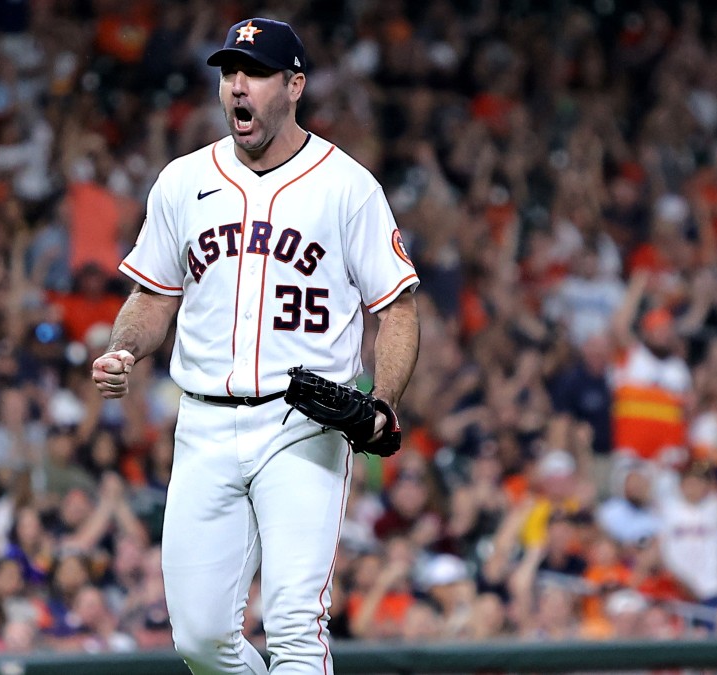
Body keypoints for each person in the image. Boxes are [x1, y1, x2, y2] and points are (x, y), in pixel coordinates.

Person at [90, 16, 420, 675]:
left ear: (294, 85)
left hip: (303, 420)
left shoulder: (346, 185)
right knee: (200, 636)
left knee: (296, 623)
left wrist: (382, 399)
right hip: (204, 419)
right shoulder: (184, 180)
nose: (238, 86)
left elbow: (398, 306)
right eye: (230, 73)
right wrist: (124, 344)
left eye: (258, 73)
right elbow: (154, 295)